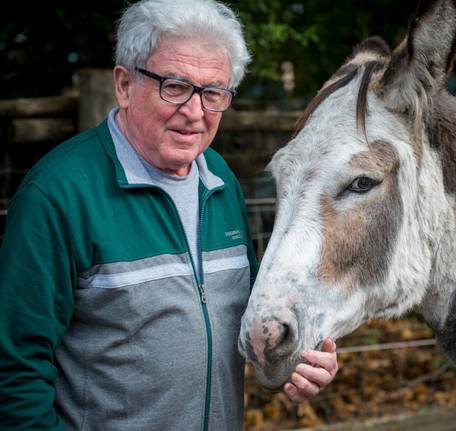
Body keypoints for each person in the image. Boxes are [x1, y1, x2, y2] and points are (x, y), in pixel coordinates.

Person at [0, 0, 338, 429]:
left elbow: (249, 320)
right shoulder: (57, 195)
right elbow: (14, 372)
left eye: (213, 92)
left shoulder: (219, 180)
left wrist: (295, 360)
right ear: (124, 85)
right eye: (175, 86)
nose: (195, 113)